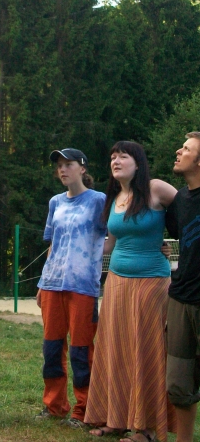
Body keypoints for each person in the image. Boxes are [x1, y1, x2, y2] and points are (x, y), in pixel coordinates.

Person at [84, 141, 177, 442]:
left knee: (145, 351)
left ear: (138, 163)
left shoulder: (156, 188)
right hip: (116, 282)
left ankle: (145, 428)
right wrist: (78, 254)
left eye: (123, 156)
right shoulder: (115, 198)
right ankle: (115, 418)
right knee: (115, 349)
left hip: (152, 282)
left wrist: (178, 249)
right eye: (113, 156)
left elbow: (189, 210)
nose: (116, 160)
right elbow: (110, 243)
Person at [36, 148, 106, 429]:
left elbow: (114, 236)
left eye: (68, 164)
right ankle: (54, 406)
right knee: (52, 348)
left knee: (81, 350)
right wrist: (42, 283)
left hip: (83, 285)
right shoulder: (55, 202)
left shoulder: (99, 200)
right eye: (59, 166)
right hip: (52, 285)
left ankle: (84, 410)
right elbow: (53, 245)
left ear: (82, 168)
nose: (62, 169)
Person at [165, 132, 200, 442]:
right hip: (180, 300)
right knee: (179, 385)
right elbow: (180, 238)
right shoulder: (180, 200)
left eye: (187, 149)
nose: (179, 151)